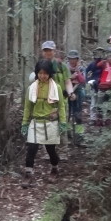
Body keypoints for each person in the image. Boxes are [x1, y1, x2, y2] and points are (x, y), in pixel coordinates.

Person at [21, 59, 65, 187]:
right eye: (40, 73)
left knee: (50, 150)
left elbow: (61, 106)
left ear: (50, 73)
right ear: (36, 73)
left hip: (50, 123)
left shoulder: (56, 88)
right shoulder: (31, 88)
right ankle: (28, 174)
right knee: (31, 149)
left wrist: (62, 122)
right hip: (35, 122)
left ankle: (55, 169)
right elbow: (27, 107)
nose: (42, 76)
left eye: (45, 73)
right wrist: (24, 123)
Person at [66, 50, 87, 147]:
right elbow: (63, 79)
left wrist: (77, 74)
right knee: (67, 115)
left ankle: (79, 138)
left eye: (74, 59)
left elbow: (83, 81)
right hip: (66, 92)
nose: (72, 61)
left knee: (78, 115)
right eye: (71, 59)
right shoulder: (65, 67)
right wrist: (71, 77)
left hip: (78, 91)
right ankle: (68, 136)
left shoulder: (81, 68)